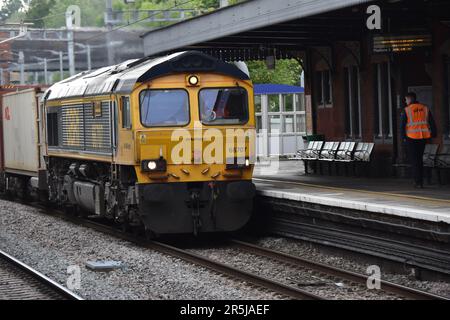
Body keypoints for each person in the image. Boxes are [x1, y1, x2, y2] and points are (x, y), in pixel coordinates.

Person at [400, 92, 437, 188]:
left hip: (411, 138)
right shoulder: (425, 108)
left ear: (410, 99)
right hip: (423, 137)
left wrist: (403, 138)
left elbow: (402, 126)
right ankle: (420, 180)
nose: (405, 101)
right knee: (419, 159)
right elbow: (432, 122)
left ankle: (418, 181)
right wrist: (433, 133)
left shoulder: (407, 110)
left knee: (414, 160)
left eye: (406, 99)